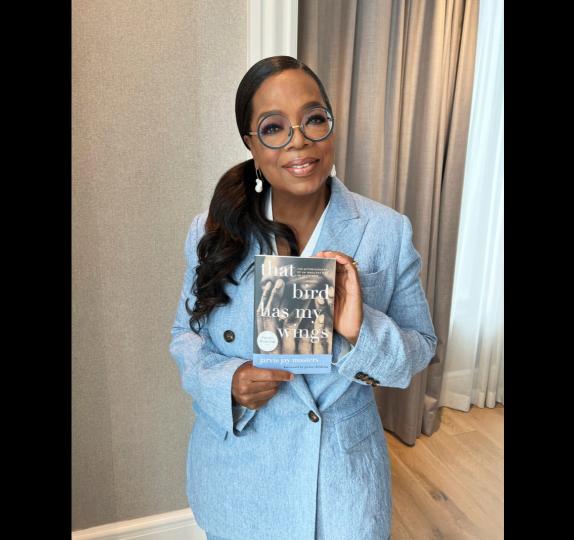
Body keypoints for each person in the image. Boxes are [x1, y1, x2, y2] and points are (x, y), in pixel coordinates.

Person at [169, 56, 437, 540]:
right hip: (241, 471)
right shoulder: (212, 230)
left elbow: (420, 347)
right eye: (274, 127)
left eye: (314, 118)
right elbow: (184, 336)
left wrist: (360, 329)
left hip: (339, 481)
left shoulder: (385, 231)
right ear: (251, 143)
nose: (299, 140)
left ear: (331, 124)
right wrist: (228, 382)